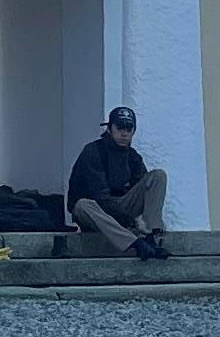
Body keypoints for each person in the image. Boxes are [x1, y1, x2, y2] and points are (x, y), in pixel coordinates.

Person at [67, 105, 170, 260]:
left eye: (129, 129)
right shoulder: (93, 152)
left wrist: (141, 220)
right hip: (94, 213)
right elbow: (100, 198)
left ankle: (152, 237)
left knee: (158, 176)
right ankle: (135, 244)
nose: (124, 133)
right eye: (120, 128)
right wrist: (133, 221)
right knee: (83, 205)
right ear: (110, 128)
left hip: (120, 208)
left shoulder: (133, 157)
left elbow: (142, 188)